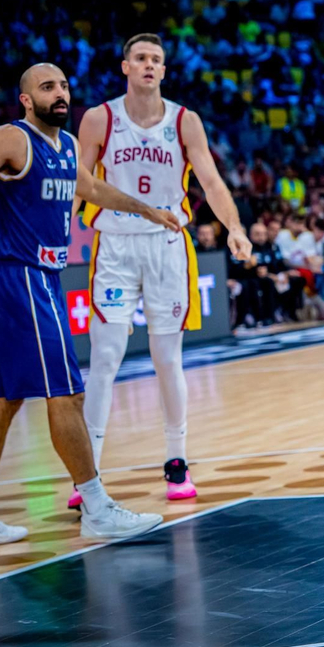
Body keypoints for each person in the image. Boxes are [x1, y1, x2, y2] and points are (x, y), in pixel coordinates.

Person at [0, 63, 171, 550]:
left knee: (2, 400)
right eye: (47, 88)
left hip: (26, 281)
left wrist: (148, 210)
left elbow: (94, 189)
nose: (59, 94)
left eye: (63, 85)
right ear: (25, 99)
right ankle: (97, 508)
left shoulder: (63, 146)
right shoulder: (9, 139)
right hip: (23, 277)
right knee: (67, 395)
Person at [75, 34, 252, 506]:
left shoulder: (184, 121)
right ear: (125, 66)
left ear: (164, 70)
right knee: (105, 358)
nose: (149, 65)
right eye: (141, 58)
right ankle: (86, 471)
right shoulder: (99, 119)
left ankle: (177, 460)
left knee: (167, 357)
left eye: (156, 59)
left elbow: (211, 181)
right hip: (114, 245)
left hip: (167, 244)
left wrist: (233, 227)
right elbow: (79, 182)